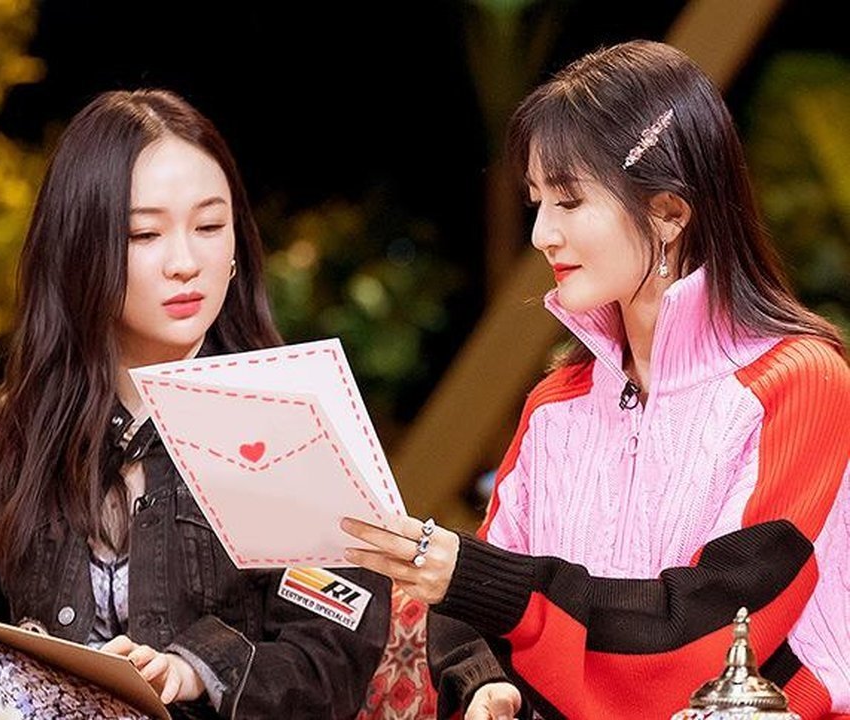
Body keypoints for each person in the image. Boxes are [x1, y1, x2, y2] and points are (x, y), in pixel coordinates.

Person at [342, 39, 850, 720]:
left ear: (669, 212)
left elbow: (710, 635)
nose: (541, 235)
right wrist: (486, 683)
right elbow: (475, 603)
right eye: (537, 202)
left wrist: (492, 584)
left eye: (570, 200)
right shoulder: (555, 405)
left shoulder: (800, 384)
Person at [0, 89, 390, 719]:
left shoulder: (296, 427)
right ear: (79, 250)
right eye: (145, 234)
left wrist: (194, 668)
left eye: (209, 227)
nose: (185, 262)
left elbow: (331, 665)